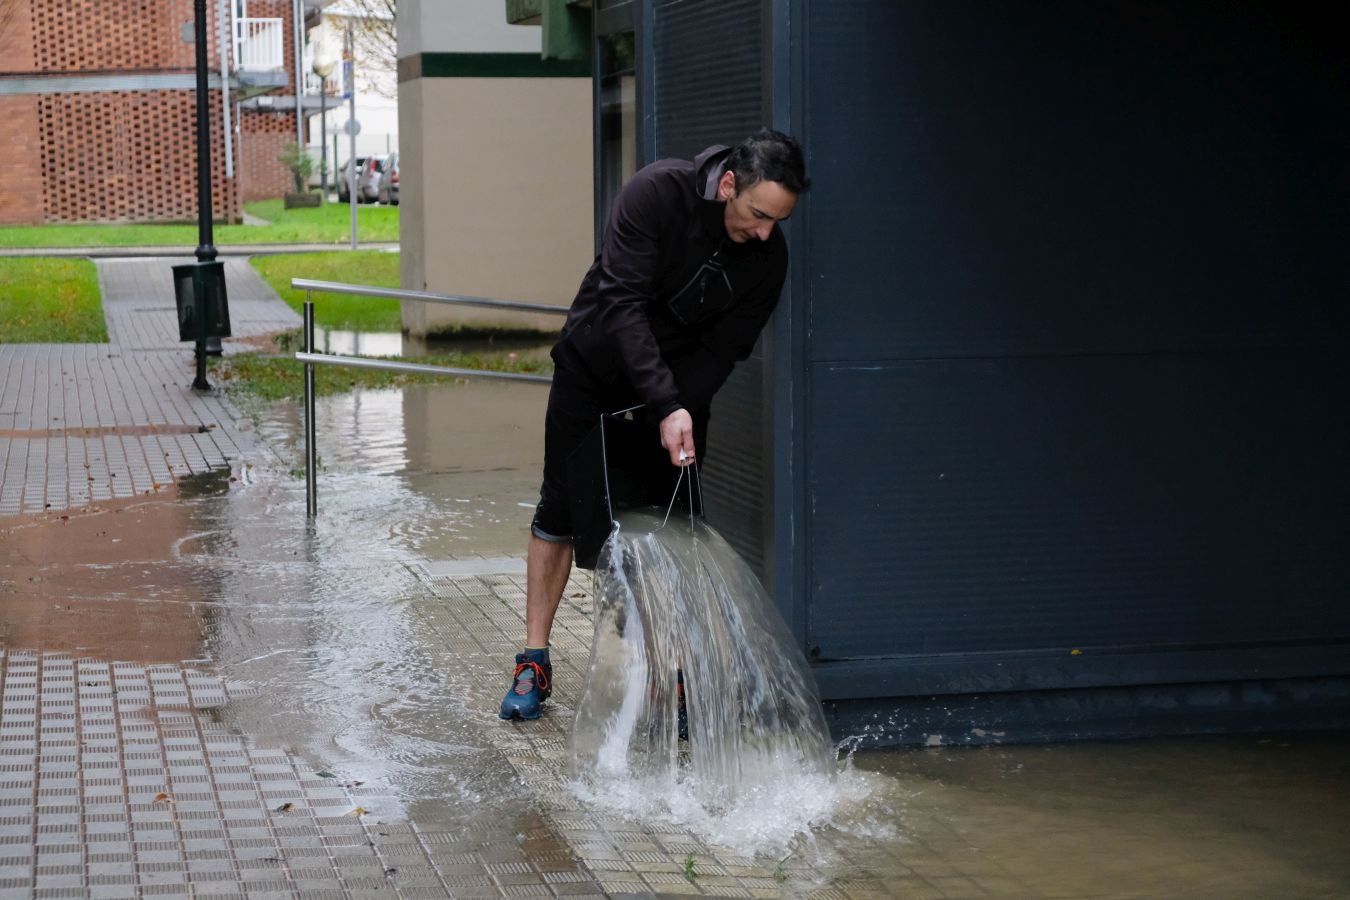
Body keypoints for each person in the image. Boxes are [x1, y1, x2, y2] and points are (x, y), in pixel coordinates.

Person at [500, 129, 809, 721]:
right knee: (559, 513)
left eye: (779, 220)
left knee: (669, 527)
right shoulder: (655, 193)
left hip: (678, 398)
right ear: (727, 186)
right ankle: (534, 659)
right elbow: (622, 303)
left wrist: (675, 409)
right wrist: (665, 402)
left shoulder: (770, 258)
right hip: (593, 370)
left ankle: (669, 674)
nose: (766, 232)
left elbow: (725, 350)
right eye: (757, 214)